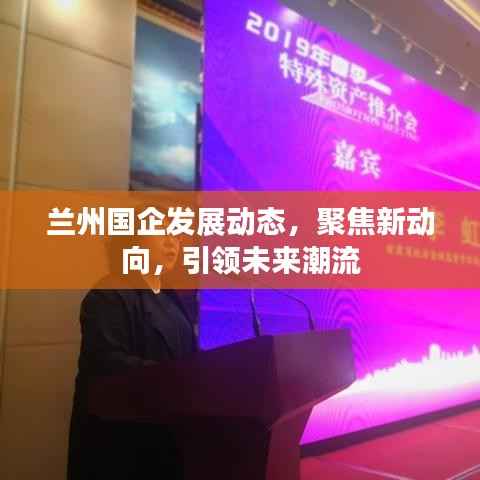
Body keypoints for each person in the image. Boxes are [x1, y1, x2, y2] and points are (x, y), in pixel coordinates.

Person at [67, 226, 197, 480]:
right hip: (121, 445)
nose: (172, 242)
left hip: (168, 435)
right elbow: (107, 364)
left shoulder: (169, 295)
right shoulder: (109, 294)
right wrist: (176, 378)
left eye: (176, 234)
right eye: (161, 231)